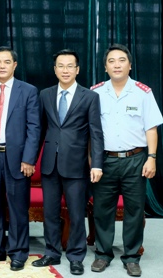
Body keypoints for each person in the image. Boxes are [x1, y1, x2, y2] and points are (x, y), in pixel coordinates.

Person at [90, 44, 163, 277]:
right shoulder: (96, 93)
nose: (117, 65)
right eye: (111, 61)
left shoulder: (143, 92)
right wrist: (94, 162)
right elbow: (91, 132)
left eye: (122, 60)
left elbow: (151, 128)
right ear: (105, 67)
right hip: (106, 161)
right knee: (102, 210)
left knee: (134, 210)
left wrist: (151, 158)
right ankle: (102, 254)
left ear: (130, 65)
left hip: (135, 159)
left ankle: (131, 257)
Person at [32, 49, 103, 275]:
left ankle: (75, 256)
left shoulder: (90, 97)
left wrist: (97, 164)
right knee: (50, 212)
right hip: (49, 164)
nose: (65, 70)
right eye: (60, 66)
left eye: (70, 66)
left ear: (77, 69)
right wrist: (30, 160)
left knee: (75, 212)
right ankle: (52, 252)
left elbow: (96, 133)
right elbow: (39, 131)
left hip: (77, 165)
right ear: (54, 70)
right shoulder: (45, 94)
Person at [0, 46, 40, 271]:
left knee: (17, 208)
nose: (1, 66)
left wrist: (29, 159)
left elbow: (34, 128)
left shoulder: (28, 91)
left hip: (18, 159)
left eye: (6, 62)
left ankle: (18, 252)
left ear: (15, 65)